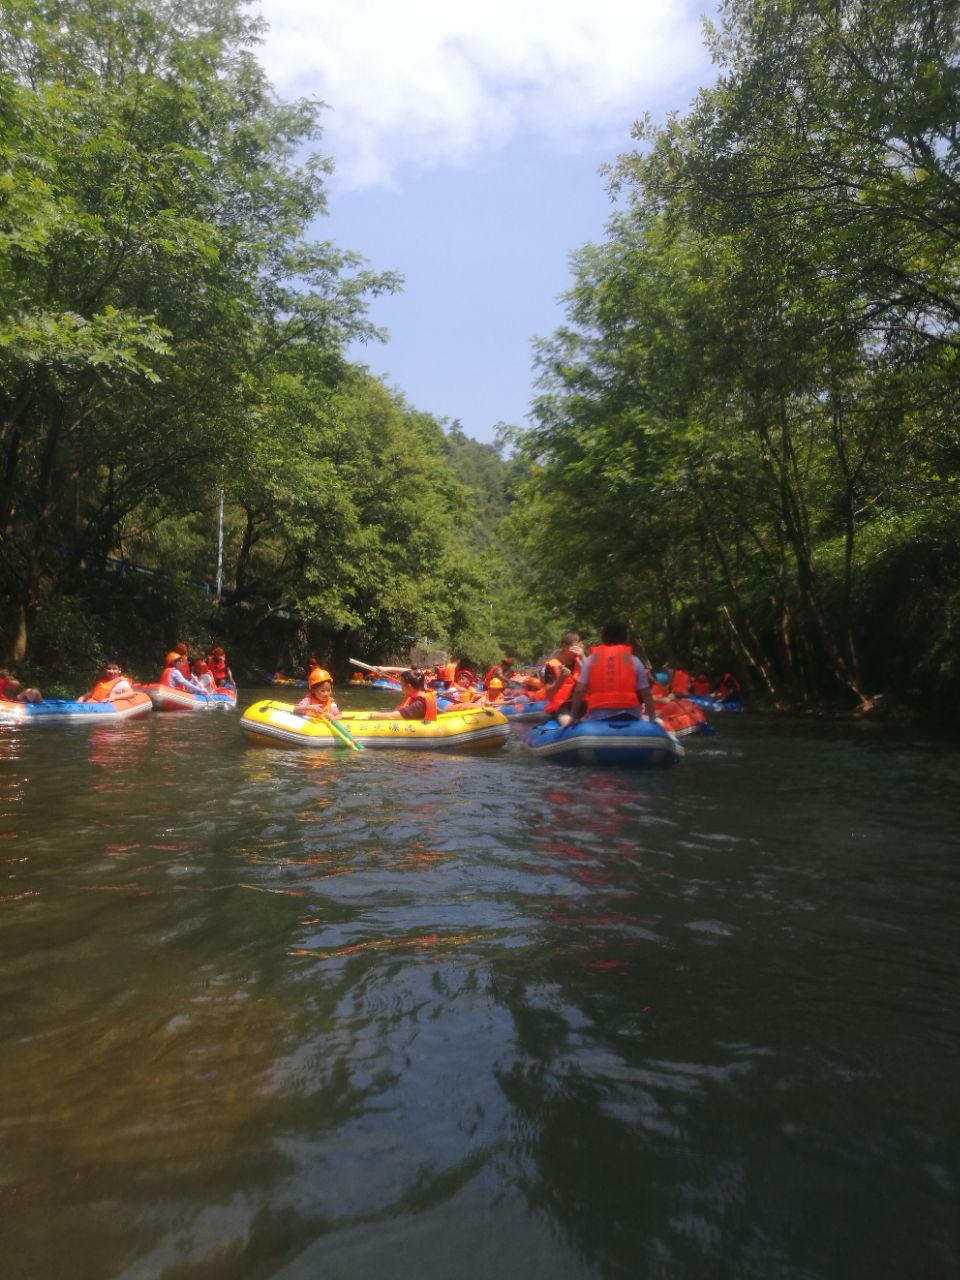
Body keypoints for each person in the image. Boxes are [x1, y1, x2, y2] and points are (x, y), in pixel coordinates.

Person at [568, 619, 658, 724]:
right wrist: (652, 719)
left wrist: (573, 716)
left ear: (604, 636)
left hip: (599, 715)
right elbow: (646, 693)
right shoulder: (633, 660)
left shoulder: (592, 659)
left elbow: (579, 691)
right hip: (630, 715)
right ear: (624, 637)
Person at [366, 669, 438, 722]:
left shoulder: (418, 704)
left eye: (401, 684)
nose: (400, 686)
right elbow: (413, 673)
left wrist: (371, 715)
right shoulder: (421, 692)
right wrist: (386, 669)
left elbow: (392, 716)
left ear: (409, 686)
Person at [542, 632, 585, 718]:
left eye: (579, 647)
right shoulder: (551, 665)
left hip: (582, 704)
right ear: (564, 646)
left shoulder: (582, 661)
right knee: (569, 723)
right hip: (561, 707)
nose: (577, 650)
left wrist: (583, 657)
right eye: (574, 647)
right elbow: (548, 694)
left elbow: (594, 681)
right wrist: (561, 679)